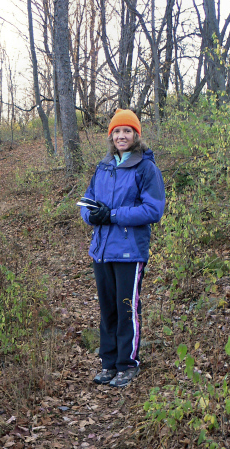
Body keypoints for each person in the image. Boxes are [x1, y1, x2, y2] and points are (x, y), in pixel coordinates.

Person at [80, 109, 165, 388]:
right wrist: (90, 215)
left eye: (127, 131)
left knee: (126, 308)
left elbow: (153, 209)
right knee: (107, 310)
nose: (121, 136)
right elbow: (88, 200)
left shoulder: (146, 168)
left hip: (130, 251)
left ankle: (127, 364)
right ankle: (108, 363)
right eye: (117, 131)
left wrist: (113, 215)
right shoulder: (103, 166)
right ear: (110, 136)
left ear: (136, 135)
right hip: (102, 250)